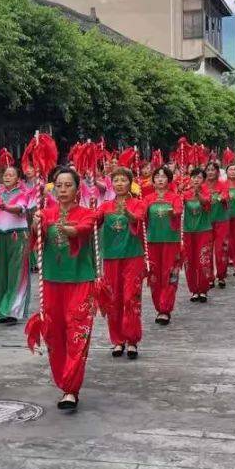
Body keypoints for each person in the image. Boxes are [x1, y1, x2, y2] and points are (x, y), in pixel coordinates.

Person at [33, 168, 99, 410]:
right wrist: (35, 224)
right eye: (58, 185)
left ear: (77, 189)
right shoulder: (45, 213)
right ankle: (62, 380)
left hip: (80, 280)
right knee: (54, 332)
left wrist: (63, 226)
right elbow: (35, 241)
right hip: (52, 280)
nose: (62, 190)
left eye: (67, 185)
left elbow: (80, 230)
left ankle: (71, 388)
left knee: (77, 330)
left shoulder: (87, 214)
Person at [97, 168, 147, 359]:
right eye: (115, 180)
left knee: (130, 298)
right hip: (111, 258)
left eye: (123, 180)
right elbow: (94, 221)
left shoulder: (138, 203)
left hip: (133, 256)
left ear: (130, 183)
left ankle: (132, 339)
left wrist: (127, 212)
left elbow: (138, 220)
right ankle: (117, 340)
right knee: (113, 299)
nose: (119, 183)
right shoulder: (105, 206)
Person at [0, 165, 33, 324]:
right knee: (1, 273)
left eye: (11, 175)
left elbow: (20, 208)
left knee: (16, 272)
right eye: (5, 174)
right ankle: (2, 310)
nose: (7, 177)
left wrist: (6, 207)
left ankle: (12, 310)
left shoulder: (23, 193)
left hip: (17, 235)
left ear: (17, 178)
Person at [144, 166, 182, 324]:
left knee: (169, 274)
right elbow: (141, 217)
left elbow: (178, 211)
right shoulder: (147, 199)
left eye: (163, 176)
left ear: (169, 180)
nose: (160, 179)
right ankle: (158, 306)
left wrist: (172, 212)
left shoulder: (175, 198)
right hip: (153, 241)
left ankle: (165, 308)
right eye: (157, 176)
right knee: (154, 275)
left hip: (171, 241)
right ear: (153, 181)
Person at [180, 167, 214, 302]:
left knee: (203, 260)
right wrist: (179, 192)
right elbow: (176, 207)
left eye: (199, 177)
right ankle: (194, 290)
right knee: (190, 261)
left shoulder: (207, 192)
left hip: (204, 231)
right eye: (193, 177)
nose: (196, 180)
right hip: (188, 231)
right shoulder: (185, 194)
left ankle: (203, 289)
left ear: (203, 180)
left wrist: (197, 193)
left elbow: (206, 203)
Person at [204, 161, 231, 288]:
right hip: (205, 223)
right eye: (208, 170)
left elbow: (226, 195)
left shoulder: (223, 185)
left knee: (221, 249)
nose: (210, 172)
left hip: (221, 221)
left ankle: (221, 275)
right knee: (207, 251)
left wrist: (222, 197)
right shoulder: (202, 185)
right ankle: (209, 277)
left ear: (217, 172)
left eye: (212, 170)